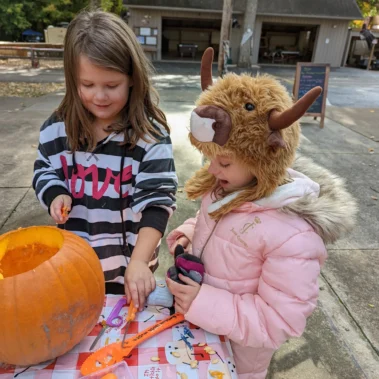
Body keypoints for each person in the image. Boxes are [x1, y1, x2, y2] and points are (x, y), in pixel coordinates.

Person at [166, 48, 356, 378]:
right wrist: (191, 229)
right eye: (208, 157)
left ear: (263, 160)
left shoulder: (293, 235)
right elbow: (219, 225)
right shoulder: (227, 187)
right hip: (203, 336)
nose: (211, 168)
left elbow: (280, 320)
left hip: (240, 357)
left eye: (223, 162)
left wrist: (202, 302)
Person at [32, 10, 177, 310]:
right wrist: (55, 193)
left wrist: (139, 262)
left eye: (111, 86)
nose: (99, 96)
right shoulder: (56, 130)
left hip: (131, 268)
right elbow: (44, 170)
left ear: (133, 79)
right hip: (74, 266)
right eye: (87, 85)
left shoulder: (150, 136)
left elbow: (157, 203)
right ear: (73, 80)